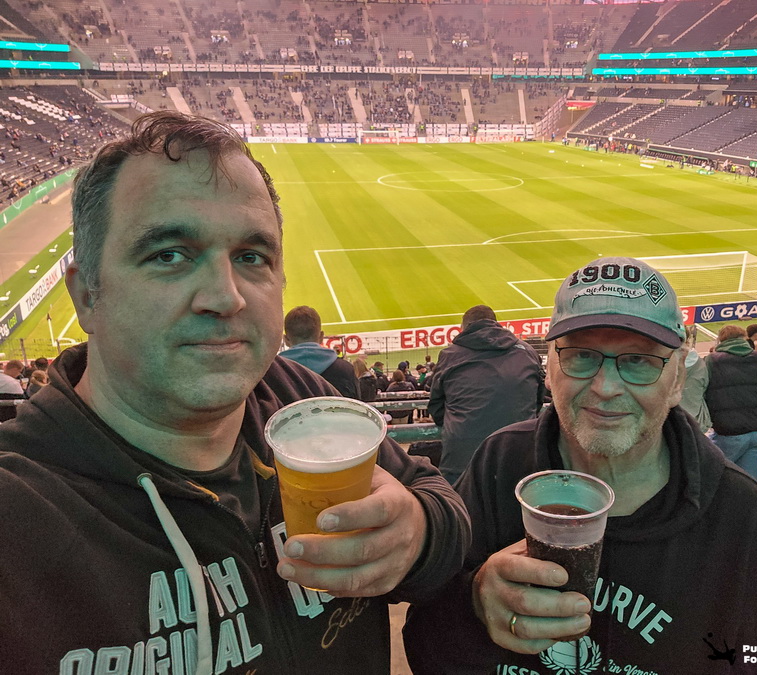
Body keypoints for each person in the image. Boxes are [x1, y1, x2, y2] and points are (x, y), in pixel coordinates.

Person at [0, 111, 469, 673]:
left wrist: (418, 531)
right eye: (168, 255)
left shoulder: (300, 399)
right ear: (87, 296)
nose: (225, 297)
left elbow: (437, 501)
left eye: (251, 257)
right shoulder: (19, 508)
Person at [405, 256, 757, 674]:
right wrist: (474, 603)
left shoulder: (741, 516)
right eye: (581, 355)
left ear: (677, 380)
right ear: (549, 368)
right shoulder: (498, 464)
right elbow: (424, 644)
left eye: (639, 360)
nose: (606, 387)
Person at [428, 304, 544, 485]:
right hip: (519, 456)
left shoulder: (449, 355)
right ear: (496, 324)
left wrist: (459, 422)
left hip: (461, 460)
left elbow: (436, 407)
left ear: (464, 328)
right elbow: (537, 402)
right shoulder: (528, 351)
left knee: (458, 501)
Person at [704, 325, 757, 480]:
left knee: (715, 481)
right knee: (749, 485)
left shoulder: (713, 360)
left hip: (730, 431)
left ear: (721, 340)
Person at [280, 306, 360, 399]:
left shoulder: (272, 373)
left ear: (285, 340)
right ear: (321, 336)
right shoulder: (346, 370)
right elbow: (356, 405)